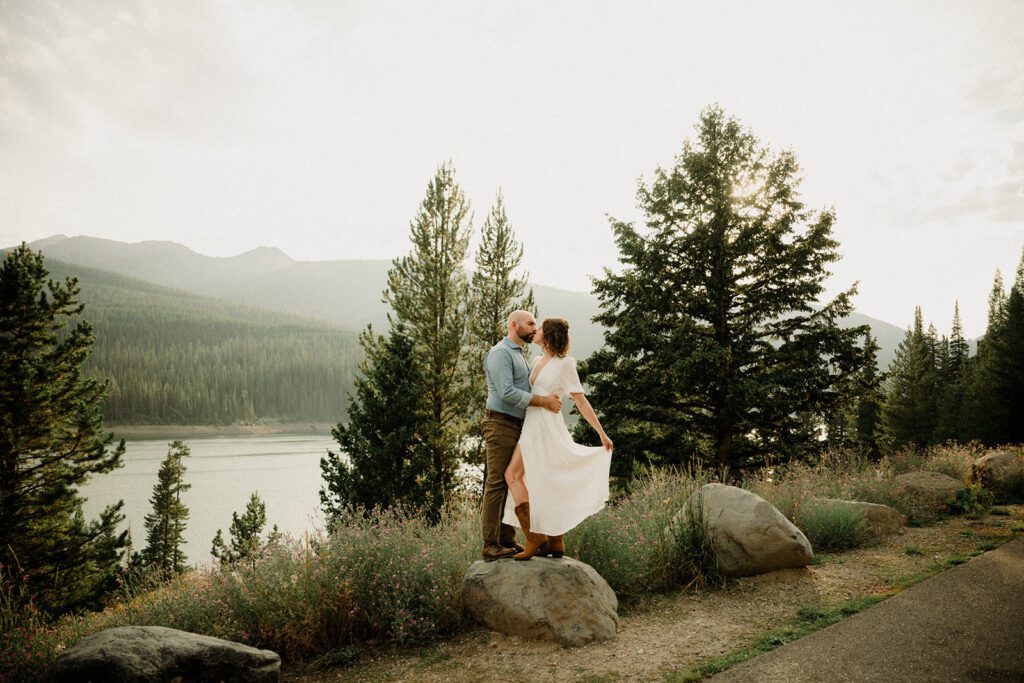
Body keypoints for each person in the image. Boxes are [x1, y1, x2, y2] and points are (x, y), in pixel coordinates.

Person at [502, 317, 614, 560]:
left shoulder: (565, 365)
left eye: (540, 328)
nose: (536, 331)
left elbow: (580, 400)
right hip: (531, 424)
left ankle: (534, 537)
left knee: (513, 475)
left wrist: (601, 434)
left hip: (546, 427)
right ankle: (555, 540)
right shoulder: (535, 360)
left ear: (549, 334)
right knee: (540, 479)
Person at [480, 310, 563, 561]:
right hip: (500, 424)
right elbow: (506, 393)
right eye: (530, 324)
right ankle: (490, 544)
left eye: (535, 324)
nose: (534, 328)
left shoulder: (519, 354)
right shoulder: (500, 354)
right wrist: (543, 402)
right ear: (514, 325)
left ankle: (507, 538)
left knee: (512, 479)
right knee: (496, 481)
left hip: (517, 424)